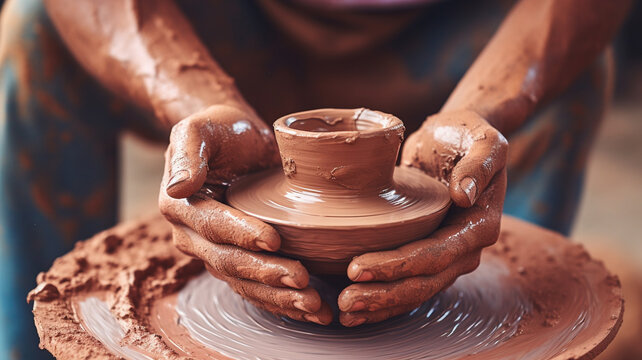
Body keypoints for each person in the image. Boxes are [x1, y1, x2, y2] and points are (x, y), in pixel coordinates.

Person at [0, 0, 630, 358]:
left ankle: (513, 329)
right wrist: (189, 96)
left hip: (453, 31)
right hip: (224, 26)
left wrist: (490, 105)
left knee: (573, 72)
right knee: (33, 32)